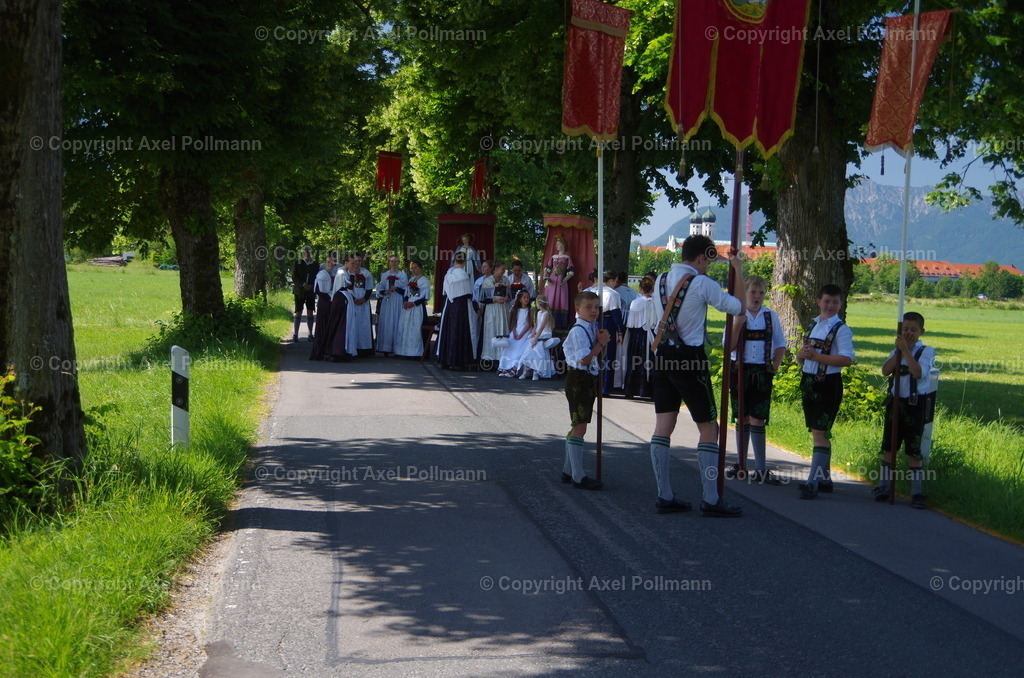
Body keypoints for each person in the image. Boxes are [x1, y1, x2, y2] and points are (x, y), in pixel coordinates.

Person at [648, 234, 746, 517]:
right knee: (708, 428)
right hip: (689, 360)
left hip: (661, 356)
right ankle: (711, 498)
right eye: (709, 260)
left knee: (663, 424)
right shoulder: (702, 283)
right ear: (702, 257)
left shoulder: (660, 279)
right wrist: (738, 270)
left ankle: (664, 494)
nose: (709, 267)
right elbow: (738, 307)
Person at [724, 275, 787, 484]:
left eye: (761, 292)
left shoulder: (771, 316)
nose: (757, 296)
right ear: (745, 293)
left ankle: (761, 468)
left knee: (758, 417)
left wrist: (774, 366)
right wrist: (738, 323)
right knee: (741, 416)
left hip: (762, 371)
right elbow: (729, 347)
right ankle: (741, 463)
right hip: (739, 370)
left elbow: (780, 344)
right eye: (753, 292)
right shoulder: (735, 315)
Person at [796, 284, 855, 500]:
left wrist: (817, 357)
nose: (830, 305)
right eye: (827, 301)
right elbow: (803, 358)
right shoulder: (814, 325)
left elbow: (847, 359)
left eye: (835, 302)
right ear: (818, 302)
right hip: (809, 382)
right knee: (817, 431)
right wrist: (801, 355)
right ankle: (825, 478)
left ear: (840, 304)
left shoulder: (841, 329)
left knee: (820, 432)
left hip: (828, 384)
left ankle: (812, 483)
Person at [872, 311, 935, 509]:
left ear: (921, 332)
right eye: (905, 329)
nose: (909, 333)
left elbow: (917, 373)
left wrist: (907, 351)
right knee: (889, 446)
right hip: (895, 403)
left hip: (915, 405)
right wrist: (899, 351)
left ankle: (916, 492)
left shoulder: (926, 351)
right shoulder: (896, 350)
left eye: (913, 330)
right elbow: (885, 371)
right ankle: (883, 486)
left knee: (913, 450)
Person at [560, 291, 610, 491]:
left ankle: (567, 470)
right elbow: (584, 359)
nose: (593, 311)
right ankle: (578, 477)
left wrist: (601, 344)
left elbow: (597, 357)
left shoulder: (591, 327)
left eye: (596, 307)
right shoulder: (578, 331)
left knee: (578, 424)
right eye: (588, 307)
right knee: (580, 426)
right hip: (578, 380)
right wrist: (601, 344)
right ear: (577, 309)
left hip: (588, 378)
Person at [585, 270, 624, 395]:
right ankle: (605, 387)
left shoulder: (593, 291)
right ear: (611, 281)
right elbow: (616, 315)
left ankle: (593, 384)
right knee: (608, 355)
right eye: (615, 281)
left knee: (595, 353)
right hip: (608, 324)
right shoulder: (613, 294)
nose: (616, 284)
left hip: (593, 323)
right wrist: (620, 332)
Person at [436, 252, 477, 369]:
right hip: (461, 306)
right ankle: (457, 360)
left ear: (454, 261)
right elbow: (468, 293)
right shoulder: (464, 275)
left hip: (449, 304)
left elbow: (445, 292)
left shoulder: (448, 273)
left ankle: (445, 358)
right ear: (464, 262)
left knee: (448, 329)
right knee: (459, 330)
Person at [621, 276, 658, 398]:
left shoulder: (636, 302)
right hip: (652, 335)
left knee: (635, 361)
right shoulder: (657, 302)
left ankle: (633, 389)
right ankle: (650, 390)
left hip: (638, 336)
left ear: (640, 288)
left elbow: (631, 324)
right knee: (651, 362)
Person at [334, 253, 375, 357]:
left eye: (359, 261)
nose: (357, 263)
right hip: (351, 300)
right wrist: (353, 299)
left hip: (363, 301)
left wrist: (364, 299)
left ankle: (364, 348)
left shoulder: (366, 273)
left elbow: (369, 288)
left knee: (363, 324)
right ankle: (352, 346)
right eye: (355, 261)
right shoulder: (346, 273)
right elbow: (345, 288)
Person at [309, 252, 343, 361]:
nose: (330, 264)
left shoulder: (336, 273)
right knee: (323, 327)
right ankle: (321, 351)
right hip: (325, 303)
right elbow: (318, 290)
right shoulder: (322, 274)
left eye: (332, 262)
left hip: (333, 302)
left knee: (331, 326)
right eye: (328, 262)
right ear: (325, 262)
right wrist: (329, 299)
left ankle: (330, 351)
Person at [394, 261, 431, 359]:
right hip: (408, 307)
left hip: (417, 308)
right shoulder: (411, 279)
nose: (414, 270)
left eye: (416, 267)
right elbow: (406, 293)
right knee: (406, 328)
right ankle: (404, 351)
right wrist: (406, 301)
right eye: (412, 268)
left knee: (416, 329)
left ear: (420, 268)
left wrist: (413, 303)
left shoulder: (424, 281)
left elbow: (424, 297)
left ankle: (416, 353)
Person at [479, 260, 511, 366]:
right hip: (492, 308)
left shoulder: (506, 280)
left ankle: (502, 357)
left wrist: (507, 298)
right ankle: (490, 357)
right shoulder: (488, 281)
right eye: (502, 269)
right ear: (496, 269)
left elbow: (510, 295)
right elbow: (483, 298)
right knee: (491, 330)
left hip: (502, 308)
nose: (503, 271)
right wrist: (494, 300)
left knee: (502, 328)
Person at [375, 254, 408, 355]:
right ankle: (385, 347)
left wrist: (397, 288)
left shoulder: (403, 275)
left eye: (396, 261)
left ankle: (396, 347)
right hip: (388, 300)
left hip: (397, 300)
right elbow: (380, 287)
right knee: (387, 322)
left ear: (399, 263)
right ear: (389, 262)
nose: (394, 263)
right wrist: (384, 291)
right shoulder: (385, 275)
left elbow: (406, 290)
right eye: (392, 261)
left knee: (397, 321)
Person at [519, 294, 557, 380]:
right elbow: (536, 326)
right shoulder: (539, 313)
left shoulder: (546, 314)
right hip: (538, 334)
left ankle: (536, 372)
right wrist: (532, 333)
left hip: (544, 334)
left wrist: (535, 339)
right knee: (528, 349)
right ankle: (526, 371)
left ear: (539, 304)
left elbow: (542, 327)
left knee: (537, 349)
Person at [498, 290, 534, 377]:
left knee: (520, 349)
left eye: (528, 297)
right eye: (524, 297)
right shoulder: (516, 309)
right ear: (520, 299)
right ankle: (505, 368)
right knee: (509, 348)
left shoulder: (530, 310)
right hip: (516, 330)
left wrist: (521, 334)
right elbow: (514, 322)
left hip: (525, 331)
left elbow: (529, 324)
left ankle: (514, 369)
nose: (526, 299)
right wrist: (514, 332)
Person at [543, 235, 575, 328]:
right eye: (556, 244)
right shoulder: (553, 257)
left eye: (559, 244)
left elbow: (570, 271)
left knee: (561, 300)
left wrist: (564, 280)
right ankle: (548, 324)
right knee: (551, 299)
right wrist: (546, 277)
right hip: (552, 280)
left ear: (563, 245)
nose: (557, 246)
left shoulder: (567, 258)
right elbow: (548, 268)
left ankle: (560, 325)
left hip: (561, 281)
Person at [291, 246, 318, 342]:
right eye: (305, 252)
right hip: (299, 291)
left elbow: (317, 276)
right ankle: (296, 334)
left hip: (310, 291)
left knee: (310, 311)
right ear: (302, 253)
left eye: (308, 252)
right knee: (298, 311)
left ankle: (310, 334)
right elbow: (294, 276)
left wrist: (311, 285)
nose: (307, 253)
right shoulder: (297, 263)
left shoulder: (315, 264)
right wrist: (303, 284)